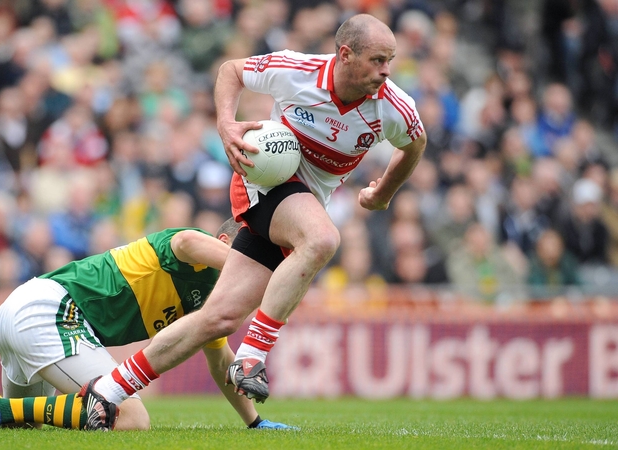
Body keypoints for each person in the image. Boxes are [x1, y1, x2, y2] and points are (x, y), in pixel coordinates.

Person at [82, 13, 426, 430]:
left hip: (300, 206)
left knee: (217, 320)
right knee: (322, 239)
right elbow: (231, 71)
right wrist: (226, 124)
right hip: (265, 185)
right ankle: (252, 357)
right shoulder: (297, 71)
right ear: (345, 54)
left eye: (390, 60)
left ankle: (108, 391)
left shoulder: (394, 107)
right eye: (377, 60)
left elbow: (414, 145)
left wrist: (383, 193)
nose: (386, 70)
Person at [0, 221, 293, 431]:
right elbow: (196, 242)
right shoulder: (189, 245)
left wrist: (255, 424)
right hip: (52, 311)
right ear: (229, 242)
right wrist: (269, 268)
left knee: (22, 422)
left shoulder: (211, 305)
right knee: (130, 419)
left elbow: (222, 363)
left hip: (26, 308)